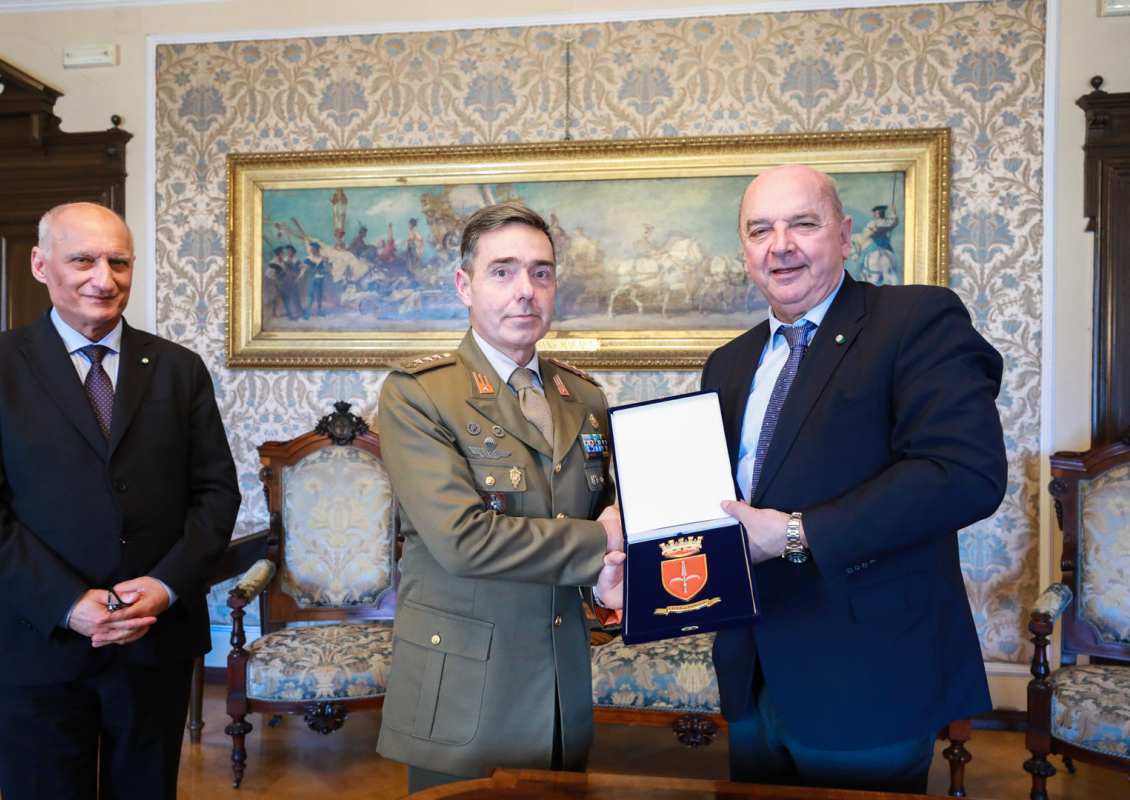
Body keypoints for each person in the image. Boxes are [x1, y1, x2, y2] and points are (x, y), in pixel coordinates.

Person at [700, 165, 1006, 793]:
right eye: (760, 230)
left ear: (843, 236)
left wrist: (797, 532)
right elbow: (717, 502)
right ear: (745, 250)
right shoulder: (727, 363)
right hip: (753, 669)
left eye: (802, 224)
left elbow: (963, 471)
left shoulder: (916, 319)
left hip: (869, 672)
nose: (780, 245)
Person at [0, 202, 242, 800]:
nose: (104, 278)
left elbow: (215, 494)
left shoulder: (179, 369)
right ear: (40, 264)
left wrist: (166, 586)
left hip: (154, 641)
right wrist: (67, 603)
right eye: (83, 260)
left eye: (118, 262)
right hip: (36, 644)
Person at [376, 199, 625, 792]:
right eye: (503, 271)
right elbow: (463, 541)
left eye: (541, 273)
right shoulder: (418, 394)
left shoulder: (584, 398)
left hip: (561, 690)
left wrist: (609, 577)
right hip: (463, 692)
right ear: (465, 286)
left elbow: (603, 519)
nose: (525, 291)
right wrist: (602, 543)